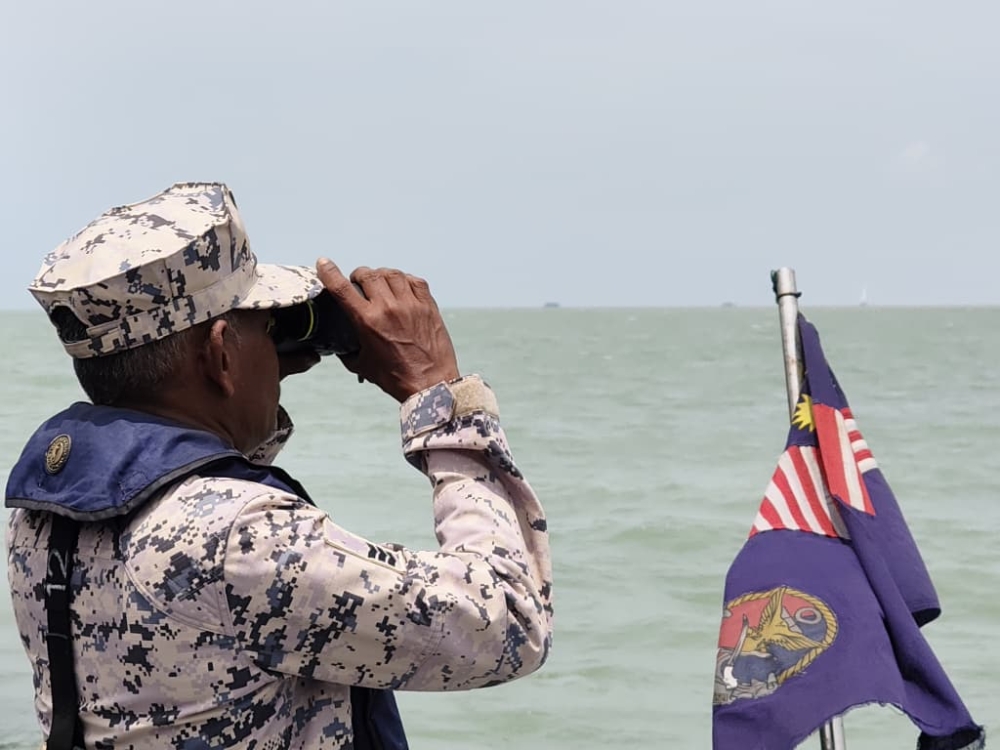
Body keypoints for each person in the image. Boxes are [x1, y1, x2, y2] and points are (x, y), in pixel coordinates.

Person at [5, 182, 554, 749]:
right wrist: (437, 394)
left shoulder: (44, 520)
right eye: (265, 326)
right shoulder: (247, 538)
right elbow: (507, 623)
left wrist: (255, 375)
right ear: (220, 352)